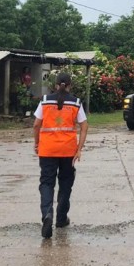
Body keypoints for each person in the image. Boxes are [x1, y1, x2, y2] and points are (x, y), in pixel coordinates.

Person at [33, 72, 88, 239]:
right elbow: (84, 127)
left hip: (47, 150)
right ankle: (61, 218)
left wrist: (37, 143)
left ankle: (47, 214)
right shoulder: (76, 103)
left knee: (47, 183)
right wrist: (79, 149)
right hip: (68, 151)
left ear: (55, 85)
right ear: (70, 85)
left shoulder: (44, 101)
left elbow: (36, 125)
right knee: (65, 184)